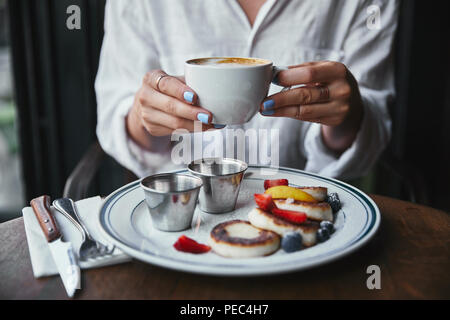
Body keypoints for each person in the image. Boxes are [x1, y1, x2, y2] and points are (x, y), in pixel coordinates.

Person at [95, 0, 399, 179]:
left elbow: (374, 132)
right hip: (181, 208)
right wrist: (143, 117)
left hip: (306, 210)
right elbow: (114, 116)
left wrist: (347, 119)